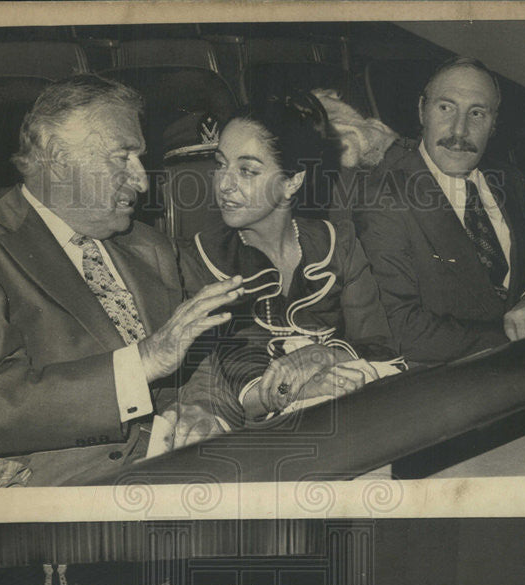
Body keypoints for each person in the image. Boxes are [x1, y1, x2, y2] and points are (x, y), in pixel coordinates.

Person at [0, 74, 244, 487]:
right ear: (57, 157)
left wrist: (203, 411)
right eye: (122, 157)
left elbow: (207, 355)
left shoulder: (149, 244)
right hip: (72, 494)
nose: (143, 181)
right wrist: (143, 361)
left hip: (182, 468)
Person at [167, 91, 402, 447]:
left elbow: (379, 347)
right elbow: (233, 375)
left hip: (358, 413)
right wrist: (296, 388)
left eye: (247, 170)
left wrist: (324, 354)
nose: (224, 184)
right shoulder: (200, 259)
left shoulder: (338, 242)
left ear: (292, 181)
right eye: (220, 164)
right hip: (265, 437)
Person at [353, 56, 525, 363]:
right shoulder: (381, 196)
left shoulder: (510, 180)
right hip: (448, 386)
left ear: (494, 125)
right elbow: (398, 329)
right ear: (422, 110)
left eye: (477, 113)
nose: (459, 130)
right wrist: (519, 336)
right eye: (446, 108)